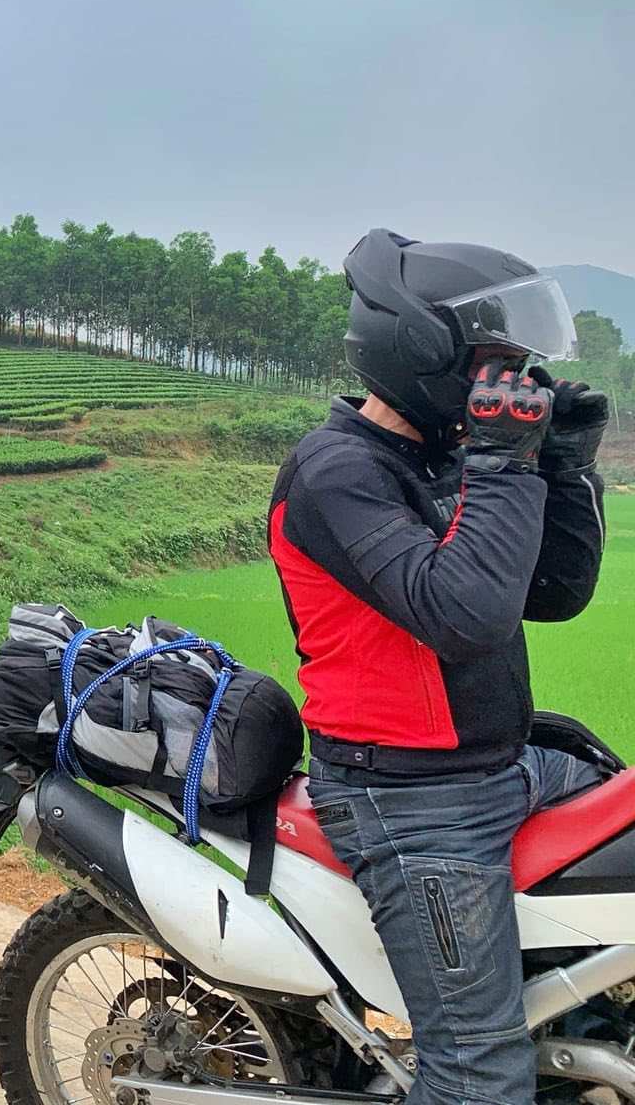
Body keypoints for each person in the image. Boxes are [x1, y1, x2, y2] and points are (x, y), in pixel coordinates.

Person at [270, 228, 609, 1105]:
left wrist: (562, 470)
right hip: (413, 804)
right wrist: (500, 463)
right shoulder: (334, 473)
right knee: (477, 1077)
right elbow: (465, 614)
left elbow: (552, 592)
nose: (515, 380)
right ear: (424, 355)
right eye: (496, 361)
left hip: (503, 766)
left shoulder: (442, 457)